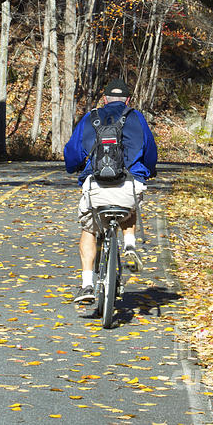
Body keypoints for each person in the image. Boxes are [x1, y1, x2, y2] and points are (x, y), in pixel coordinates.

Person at [63, 78, 158, 304]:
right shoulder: (136, 118)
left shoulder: (90, 118)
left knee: (89, 229)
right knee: (131, 201)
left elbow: (73, 153)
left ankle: (87, 284)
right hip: (127, 186)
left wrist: (74, 167)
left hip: (96, 187)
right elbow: (150, 150)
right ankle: (130, 244)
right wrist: (149, 170)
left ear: (104, 99)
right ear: (128, 100)